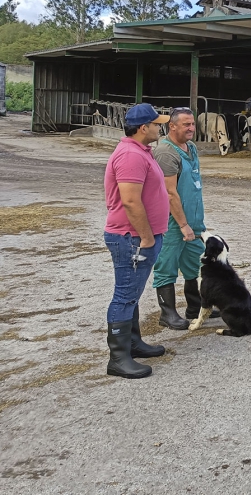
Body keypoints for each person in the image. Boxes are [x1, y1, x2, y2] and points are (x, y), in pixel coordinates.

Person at [103, 103, 172, 379]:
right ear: (144, 128)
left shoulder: (141, 151)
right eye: (156, 124)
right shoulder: (131, 155)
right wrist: (145, 236)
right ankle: (118, 358)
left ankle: (132, 343)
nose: (160, 127)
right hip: (131, 238)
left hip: (138, 237)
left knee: (131, 292)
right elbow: (130, 201)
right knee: (124, 294)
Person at [151, 107, 209, 330]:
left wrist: (192, 222)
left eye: (192, 124)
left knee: (195, 264)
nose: (191, 128)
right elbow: (169, 193)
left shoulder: (191, 147)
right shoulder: (166, 152)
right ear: (171, 126)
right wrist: (183, 224)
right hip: (173, 223)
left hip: (194, 222)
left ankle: (195, 309)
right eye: (186, 124)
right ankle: (167, 314)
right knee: (166, 265)